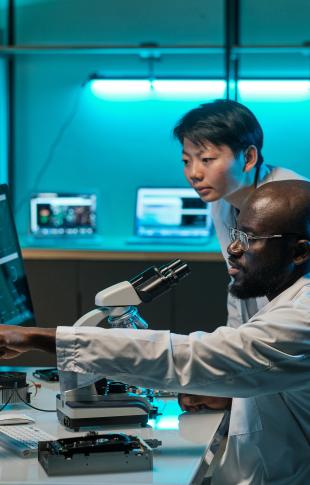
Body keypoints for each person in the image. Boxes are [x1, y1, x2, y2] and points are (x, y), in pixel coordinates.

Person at [1, 179, 310, 484]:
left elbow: (200, 355)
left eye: (251, 237)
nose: (233, 247)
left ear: (299, 252)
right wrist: (234, 398)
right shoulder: (288, 299)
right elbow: (269, 374)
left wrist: (36, 337)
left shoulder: (303, 317)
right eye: (236, 232)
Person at [173, 99, 306, 412]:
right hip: (270, 364)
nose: (193, 173)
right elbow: (241, 292)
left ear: (248, 157)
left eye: (206, 159)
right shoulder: (223, 202)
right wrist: (228, 377)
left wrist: (239, 384)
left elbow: (293, 320)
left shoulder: (291, 203)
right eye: (186, 161)